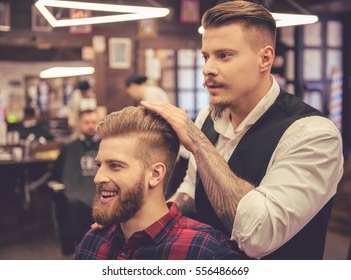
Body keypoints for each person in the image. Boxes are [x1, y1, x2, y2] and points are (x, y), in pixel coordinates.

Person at [141, 0, 344, 260]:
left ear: (265, 58)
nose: (207, 69)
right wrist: (145, 223)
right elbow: (192, 192)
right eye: (206, 56)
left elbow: (259, 237)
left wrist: (198, 143)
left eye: (224, 55)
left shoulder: (313, 134)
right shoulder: (208, 117)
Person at [75, 106, 240, 260]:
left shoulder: (204, 253)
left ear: (155, 174)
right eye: (99, 165)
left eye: (115, 166)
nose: (98, 177)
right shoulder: (93, 241)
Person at [50, 109, 100, 255]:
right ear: (79, 124)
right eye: (87, 122)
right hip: (75, 193)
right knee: (69, 202)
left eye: (94, 122)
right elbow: (60, 175)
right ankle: (74, 246)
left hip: (99, 191)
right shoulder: (69, 148)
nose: (91, 126)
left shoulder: (106, 146)